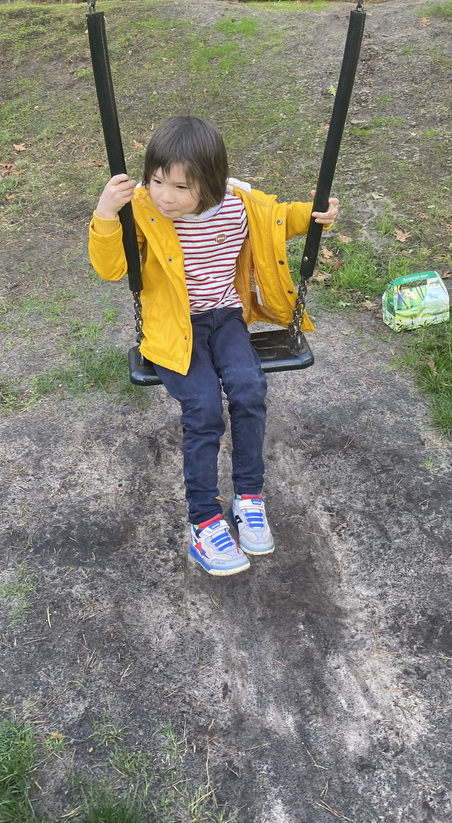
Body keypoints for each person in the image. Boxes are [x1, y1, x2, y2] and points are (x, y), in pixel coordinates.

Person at [89, 115, 339, 577]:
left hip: (225, 319)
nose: (166, 195)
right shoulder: (142, 211)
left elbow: (279, 218)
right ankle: (204, 522)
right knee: (203, 408)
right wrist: (106, 214)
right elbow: (110, 268)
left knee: (248, 389)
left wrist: (316, 213)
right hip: (172, 328)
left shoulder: (237, 205)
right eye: (157, 180)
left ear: (212, 183)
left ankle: (249, 498)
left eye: (181, 187)